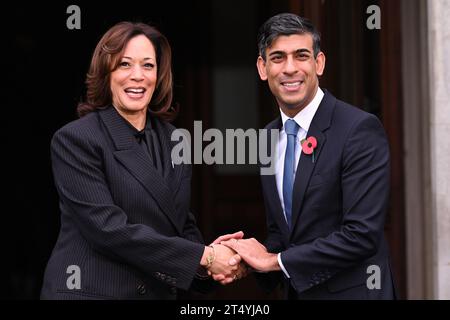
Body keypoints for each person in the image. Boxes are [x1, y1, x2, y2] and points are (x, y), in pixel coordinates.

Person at [41, 21, 245, 300]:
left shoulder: (176, 140)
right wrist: (206, 256)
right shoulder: (76, 140)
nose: (137, 76)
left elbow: (181, 225)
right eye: (125, 64)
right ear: (106, 72)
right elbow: (108, 229)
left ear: (159, 75)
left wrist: (212, 266)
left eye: (148, 65)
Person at [222, 13, 396, 299]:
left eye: (301, 56)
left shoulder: (359, 129)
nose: (290, 68)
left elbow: (361, 234)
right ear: (262, 68)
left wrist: (274, 261)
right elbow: (283, 232)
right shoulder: (267, 137)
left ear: (319, 63)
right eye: (277, 58)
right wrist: (247, 259)